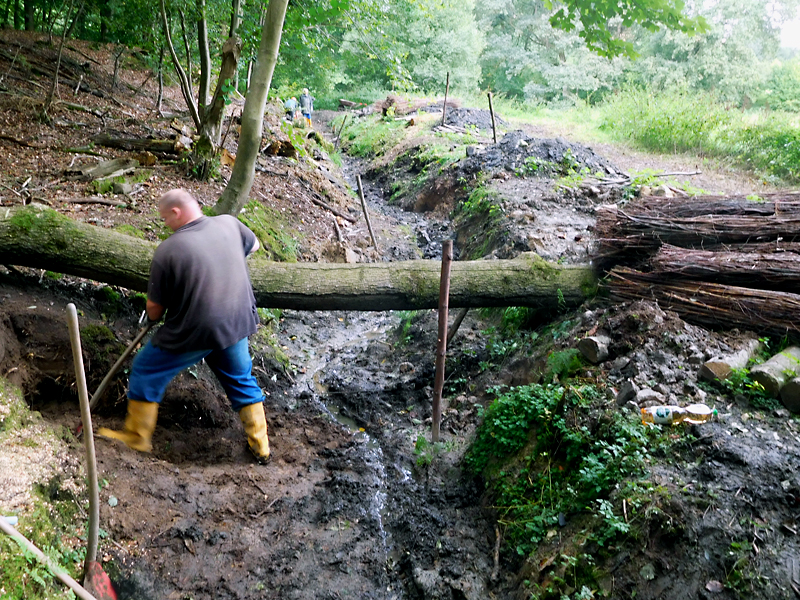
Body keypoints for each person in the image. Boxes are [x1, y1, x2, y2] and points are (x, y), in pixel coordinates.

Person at [97, 189, 271, 464]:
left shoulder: (168, 250)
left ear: (176, 212)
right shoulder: (229, 223)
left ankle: (137, 437)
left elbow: (154, 309)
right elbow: (255, 246)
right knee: (240, 378)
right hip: (238, 320)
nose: (165, 224)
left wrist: (160, 310)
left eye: (165, 218)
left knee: (146, 367)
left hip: (197, 328)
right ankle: (261, 446)